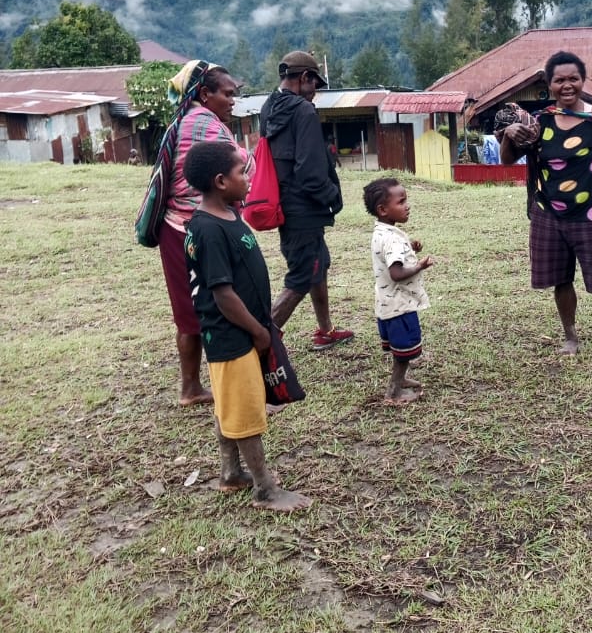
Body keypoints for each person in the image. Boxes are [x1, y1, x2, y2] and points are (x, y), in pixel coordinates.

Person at [183, 141, 310, 511]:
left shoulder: (228, 214)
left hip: (244, 329)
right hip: (231, 335)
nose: (249, 178)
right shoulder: (207, 229)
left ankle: (229, 473)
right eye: (242, 173)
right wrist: (258, 331)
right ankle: (264, 488)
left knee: (230, 404)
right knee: (245, 412)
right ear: (221, 181)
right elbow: (222, 294)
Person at [499, 51, 592, 355]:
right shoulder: (539, 124)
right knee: (561, 279)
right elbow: (508, 159)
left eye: (573, 79)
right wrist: (508, 135)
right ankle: (570, 336)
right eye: (559, 80)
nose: (567, 85)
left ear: (582, 81)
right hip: (550, 214)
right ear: (549, 84)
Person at [157, 59, 245, 407]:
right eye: (227, 94)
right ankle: (207, 386)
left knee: (187, 310)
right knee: (215, 306)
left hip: (176, 227)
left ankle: (191, 386)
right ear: (205, 94)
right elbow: (233, 167)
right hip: (194, 229)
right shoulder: (204, 124)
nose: (233, 100)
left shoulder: (186, 120)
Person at [259, 50, 355, 352]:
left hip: (283, 204)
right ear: (304, 78)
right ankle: (259, 341)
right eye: (315, 84)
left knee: (318, 263)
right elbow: (310, 170)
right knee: (302, 274)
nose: (316, 92)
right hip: (305, 208)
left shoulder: (268, 108)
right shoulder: (303, 111)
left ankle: (325, 330)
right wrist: (332, 198)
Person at [362, 177, 433, 404]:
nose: (407, 206)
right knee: (404, 351)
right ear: (383, 209)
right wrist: (419, 265)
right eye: (401, 202)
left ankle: (399, 381)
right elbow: (396, 273)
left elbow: (390, 254)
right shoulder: (392, 239)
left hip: (386, 304)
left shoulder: (383, 232)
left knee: (400, 350)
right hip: (399, 306)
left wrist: (409, 247)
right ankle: (394, 392)